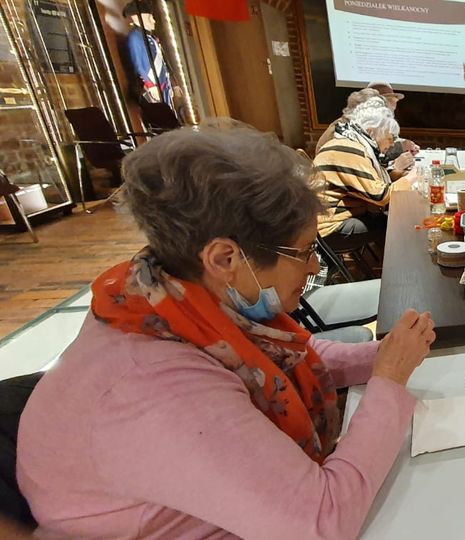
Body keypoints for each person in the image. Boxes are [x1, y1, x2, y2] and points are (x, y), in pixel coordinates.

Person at [16, 126, 436, 538]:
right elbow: (320, 522)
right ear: (224, 258)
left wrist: (386, 356)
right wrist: (388, 380)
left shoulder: (164, 295)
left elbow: (279, 355)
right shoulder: (155, 385)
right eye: (304, 251)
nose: (312, 268)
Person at [312, 97, 411, 239]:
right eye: (390, 137)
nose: (392, 144)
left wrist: (397, 175)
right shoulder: (349, 149)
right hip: (328, 226)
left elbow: (371, 181)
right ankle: (394, 261)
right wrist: (413, 177)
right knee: (396, 224)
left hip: (328, 218)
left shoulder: (352, 142)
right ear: (372, 131)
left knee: (392, 219)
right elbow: (380, 196)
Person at [121, 1, 179, 113]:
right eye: (149, 17)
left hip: (163, 84)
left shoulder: (149, 37)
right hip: (154, 86)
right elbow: (139, 64)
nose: (153, 21)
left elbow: (162, 61)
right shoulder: (135, 38)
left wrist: (172, 83)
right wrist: (150, 85)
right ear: (138, 19)